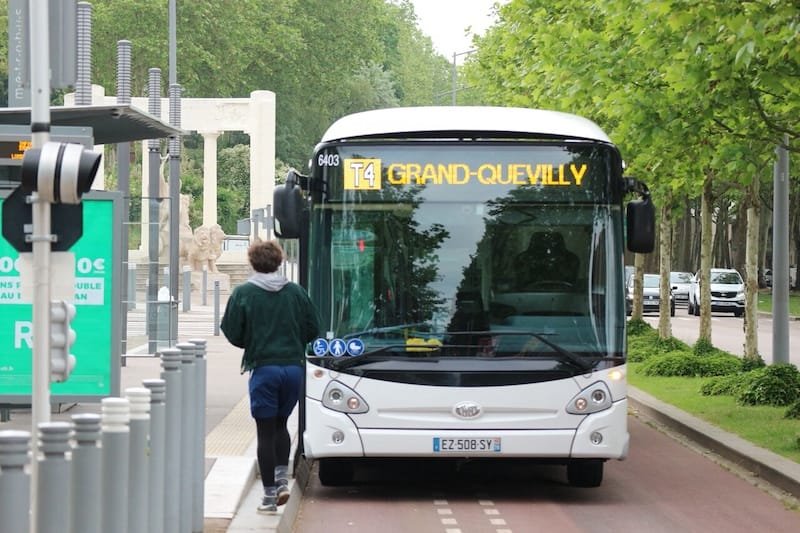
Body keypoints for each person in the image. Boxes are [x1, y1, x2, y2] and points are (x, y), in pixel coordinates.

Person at [221, 240, 321, 514]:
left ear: (253, 263)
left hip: (264, 368)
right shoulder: (296, 292)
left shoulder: (243, 293)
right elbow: (314, 328)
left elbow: (231, 331)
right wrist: (292, 341)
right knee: (281, 425)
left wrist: (252, 342)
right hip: (293, 369)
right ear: (279, 262)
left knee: (264, 432)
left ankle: (268, 497)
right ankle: (281, 481)